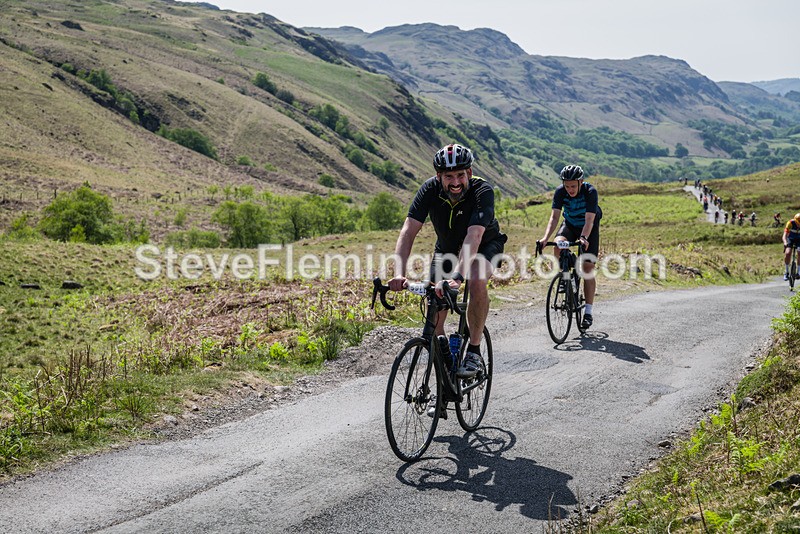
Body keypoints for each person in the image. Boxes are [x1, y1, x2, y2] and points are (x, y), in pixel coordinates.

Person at [388, 143, 507, 414]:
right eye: (448, 177)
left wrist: (456, 278)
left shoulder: (481, 191)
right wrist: (398, 273)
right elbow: (408, 232)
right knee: (434, 318)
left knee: (476, 276)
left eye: (460, 175)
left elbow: (473, 237)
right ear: (439, 177)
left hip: (485, 246)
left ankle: (474, 351)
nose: (455, 182)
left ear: (469, 172)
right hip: (445, 252)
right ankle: (444, 383)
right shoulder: (429, 190)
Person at [537, 164, 602, 329]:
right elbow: (554, 218)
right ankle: (564, 276)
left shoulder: (590, 192)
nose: (570, 189)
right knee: (558, 245)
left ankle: (588, 312)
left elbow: (589, 221)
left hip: (589, 228)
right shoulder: (560, 192)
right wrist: (545, 238)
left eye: (573, 186)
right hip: (570, 225)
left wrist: (584, 238)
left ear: (581, 182)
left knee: (587, 269)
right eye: (567, 186)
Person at [783, 213, 800, 280]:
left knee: (799, 252)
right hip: (790, 238)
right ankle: (786, 272)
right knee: (788, 253)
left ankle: (798, 272)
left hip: (799, 240)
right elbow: (784, 235)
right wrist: (785, 242)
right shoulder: (790, 223)